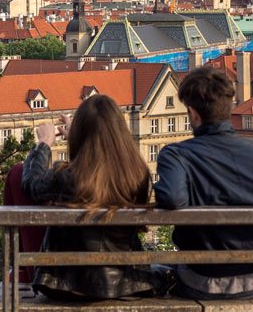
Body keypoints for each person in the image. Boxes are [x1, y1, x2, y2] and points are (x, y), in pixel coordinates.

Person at [8, 93, 160, 301]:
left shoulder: (67, 177)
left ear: (81, 135)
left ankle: (22, 273)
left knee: (18, 171)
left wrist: (44, 143)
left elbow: (30, 185)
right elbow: (102, 172)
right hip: (127, 283)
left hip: (67, 286)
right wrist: (81, 137)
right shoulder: (138, 175)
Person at [154, 67, 253, 300]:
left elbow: (172, 199)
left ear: (193, 113)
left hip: (202, 277)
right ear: (229, 108)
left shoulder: (177, 155)